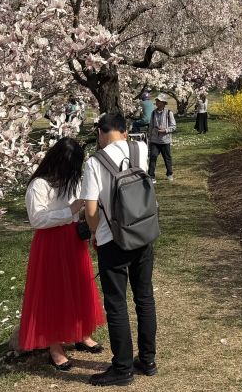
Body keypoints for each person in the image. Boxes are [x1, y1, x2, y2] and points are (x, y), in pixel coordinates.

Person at [82, 112, 158, 387]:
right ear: (124, 131)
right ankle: (147, 360)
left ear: (100, 133)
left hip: (112, 240)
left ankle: (123, 368)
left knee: (116, 304)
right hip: (143, 233)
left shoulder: (94, 163)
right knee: (144, 298)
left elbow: (91, 209)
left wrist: (93, 230)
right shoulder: (140, 148)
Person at [19, 137, 105, 371]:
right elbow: (37, 220)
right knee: (53, 292)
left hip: (72, 239)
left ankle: (82, 333)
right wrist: (70, 210)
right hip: (50, 243)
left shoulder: (72, 180)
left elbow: (80, 208)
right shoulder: (39, 184)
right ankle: (55, 346)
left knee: (79, 286)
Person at [147, 94, 176, 183]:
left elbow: (173, 126)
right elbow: (151, 126)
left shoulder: (169, 113)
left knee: (167, 158)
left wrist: (165, 130)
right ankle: (151, 176)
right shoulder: (153, 113)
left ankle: (169, 174)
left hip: (165, 140)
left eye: (158, 101)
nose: (156, 102)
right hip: (155, 140)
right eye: (156, 100)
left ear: (163, 103)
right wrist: (149, 137)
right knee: (153, 157)